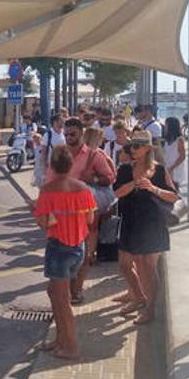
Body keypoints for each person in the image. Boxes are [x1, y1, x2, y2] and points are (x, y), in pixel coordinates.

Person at [34, 145, 96, 360]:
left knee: (61, 300)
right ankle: (60, 339)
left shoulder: (47, 190)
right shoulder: (83, 188)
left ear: (51, 165)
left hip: (58, 246)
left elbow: (43, 222)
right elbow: (89, 220)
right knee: (54, 292)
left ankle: (70, 346)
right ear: (71, 165)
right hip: (78, 246)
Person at [113, 131, 180, 324]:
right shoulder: (125, 169)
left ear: (148, 148)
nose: (132, 149)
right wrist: (134, 183)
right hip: (130, 222)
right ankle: (138, 296)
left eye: (136, 146)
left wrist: (152, 188)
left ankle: (150, 309)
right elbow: (117, 192)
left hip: (152, 223)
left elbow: (173, 196)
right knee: (125, 264)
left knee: (148, 268)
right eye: (131, 146)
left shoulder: (159, 170)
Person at [68, 124, 116, 303]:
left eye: (71, 134)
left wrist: (93, 179)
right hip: (69, 209)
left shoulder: (96, 155)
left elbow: (111, 177)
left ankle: (77, 289)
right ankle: (71, 290)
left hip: (88, 206)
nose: (68, 137)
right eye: (67, 134)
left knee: (83, 249)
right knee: (73, 251)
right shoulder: (65, 154)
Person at [34, 115, 66, 189]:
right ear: (55, 122)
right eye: (61, 121)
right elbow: (44, 151)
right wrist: (45, 165)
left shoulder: (64, 133)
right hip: (50, 164)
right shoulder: (48, 134)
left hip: (62, 164)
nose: (63, 123)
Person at [163, 117, 187, 191]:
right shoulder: (167, 140)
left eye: (166, 125)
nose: (165, 127)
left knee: (174, 188)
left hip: (175, 168)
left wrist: (172, 167)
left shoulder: (179, 140)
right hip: (168, 167)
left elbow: (182, 156)